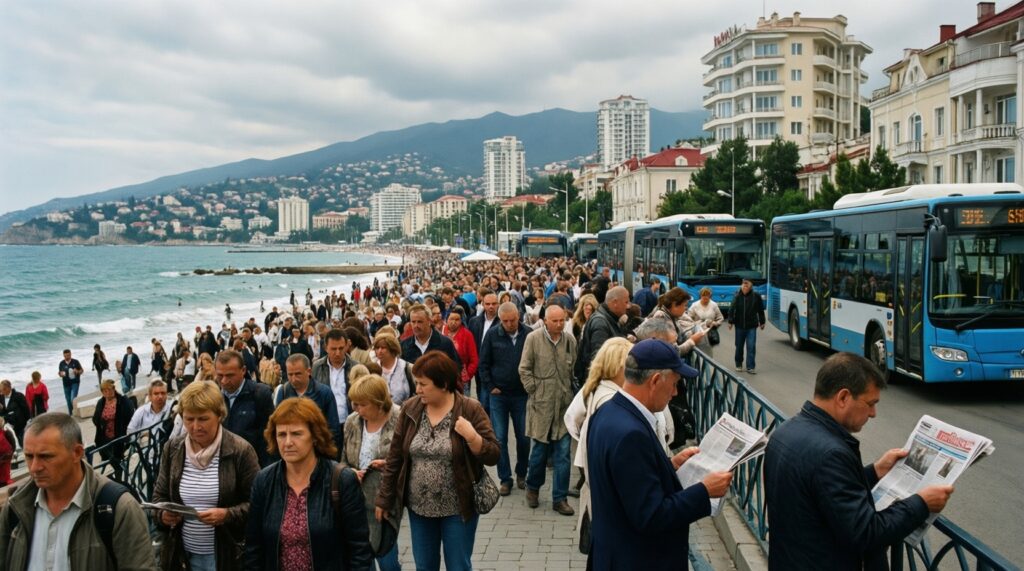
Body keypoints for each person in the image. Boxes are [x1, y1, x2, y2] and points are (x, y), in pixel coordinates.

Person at [764, 352, 955, 570]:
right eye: (870, 403)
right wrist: (921, 503)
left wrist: (875, 471)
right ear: (843, 397)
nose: (873, 413)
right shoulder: (831, 454)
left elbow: (819, 490)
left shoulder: (786, 431)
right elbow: (866, 533)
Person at [586, 339, 733, 570]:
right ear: (655, 381)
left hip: (614, 553)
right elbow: (651, 515)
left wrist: (669, 465)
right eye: (674, 384)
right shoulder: (631, 434)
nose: (675, 392)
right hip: (637, 560)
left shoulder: (608, 411)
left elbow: (625, 479)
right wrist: (704, 491)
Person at [375, 351, 499, 571]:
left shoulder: (470, 409)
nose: (418, 389)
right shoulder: (411, 409)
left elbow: (493, 454)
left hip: (458, 507)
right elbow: (394, 457)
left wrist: (472, 437)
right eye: (416, 383)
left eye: (423, 384)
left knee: (458, 566)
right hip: (419, 508)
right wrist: (385, 499)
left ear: (443, 384)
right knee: (424, 567)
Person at [0, 412, 155, 570]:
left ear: (77, 453)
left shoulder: (119, 509)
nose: (34, 468)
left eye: (46, 456)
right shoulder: (15, 507)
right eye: (29, 456)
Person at [245, 397, 373, 570]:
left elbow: (359, 550)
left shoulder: (341, 480)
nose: (288, 442)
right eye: (282, 434)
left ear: (314, 436)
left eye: (296, 433)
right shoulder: (264, 481)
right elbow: (254, 547)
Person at [152, 380, 259, 571]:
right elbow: (159, 497)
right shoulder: (172, 449)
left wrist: (227, 514)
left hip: (227, 555)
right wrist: (163, 515)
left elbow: (259, 504)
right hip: (182, 554)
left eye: (202, 419)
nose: (195, 427)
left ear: (219, 415)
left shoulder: (240, 451)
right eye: (189, 419)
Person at [563, 337, 633, 537]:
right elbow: (572, 419)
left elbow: (572, 418)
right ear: (618, 366)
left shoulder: (595, 386)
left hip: (593, 462)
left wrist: (584, 439)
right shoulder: (610, 396)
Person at [519, 304, 577, 516]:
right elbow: (524, 369)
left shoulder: (570, 341)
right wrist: (535, 390)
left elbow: (574, 371)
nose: (560, 324)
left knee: (563, 455)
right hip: (541, 406)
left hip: (563, 406)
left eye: (562, 320)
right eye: (555, 321)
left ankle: (559, 498)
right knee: (539, 454)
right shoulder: (533, 339)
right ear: (545, 320)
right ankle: (532, 488)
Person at [343, 375, 403, 571]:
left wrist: (389, 464)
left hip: (385, 503)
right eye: (355, 404)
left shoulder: (400, 419)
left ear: (378, 403)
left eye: (362, 404)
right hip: (357, 502)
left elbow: (408, 461)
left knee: (388, 561)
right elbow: (343, 460)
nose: (357, 409)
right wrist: (350, 471)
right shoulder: (352, 422)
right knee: (362, 562)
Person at [477, 302, 530, 494]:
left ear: (519, 317)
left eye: (513, 320)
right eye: (506, 321)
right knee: (499, 438)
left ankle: (522, 472)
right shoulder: (492, 335)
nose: (510, 324)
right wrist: (490, 386)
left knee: (524, 437)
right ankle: (505, 478)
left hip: (522, 395)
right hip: (499, 396)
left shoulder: (529, 334)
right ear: (501, 320)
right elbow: (483, 364)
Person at [217, 350, 275, 467]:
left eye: (229, 375)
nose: (224, 381)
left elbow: (271, 437)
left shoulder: (260, 394)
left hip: (253, 466)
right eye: (220, 375)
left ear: (243, 370)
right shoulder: (214, 397)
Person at [277, 353, 343, 456]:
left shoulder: (324, 393)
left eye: (298, 374)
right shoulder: (283, 392)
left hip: (318, 453)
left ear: (309, 371)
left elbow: (333, 429)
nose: (293, 379)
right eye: (290, 374)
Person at [574, 286, 629, 386]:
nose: (628, 306)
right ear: (615, 302)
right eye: (626, 302)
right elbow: (598, 360)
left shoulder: (608, 319)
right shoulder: (600, 323)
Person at [312, 328, 356, 440]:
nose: (337, 353)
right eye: (333, 349)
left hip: (351, 425)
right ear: (326, 348)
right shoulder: (317, 367)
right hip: (325, 426)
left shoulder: (356, 367)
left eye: (341, 348)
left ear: (347, 346)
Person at [91, 379, 136, 477]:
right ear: (102, 392)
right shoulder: (101, 402)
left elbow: (131, 417)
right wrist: (102, 423)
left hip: (118, 436)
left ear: (114, 389)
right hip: (104, 437)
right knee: (109, 459)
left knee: (116, 460)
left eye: (110, 389)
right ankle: (117, 477)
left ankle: (119, 480)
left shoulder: (123, 401)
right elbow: (95, 418)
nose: (108, 392)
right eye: (105, 391)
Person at [400, 304, 462, 369]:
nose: (416, 326)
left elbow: (456, 367)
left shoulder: (445, 344)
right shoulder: (404, 346)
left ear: (429, 321)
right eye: (413, 322)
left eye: (420, 322)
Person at [728, 278, 766, 374]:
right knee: (739, 346)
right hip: (739, 325)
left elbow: (760, 310)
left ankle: (750, 367)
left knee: (751, 346)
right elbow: (732, 308)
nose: (744, 286)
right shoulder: (737, 295)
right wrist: (730, 321)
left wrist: (762, 322)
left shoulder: (756, 296)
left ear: (751, 286)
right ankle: (738, 364)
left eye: (747, 284)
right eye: (743, 284)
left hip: (751, 326)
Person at [372, 333, 415, 406]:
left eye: (383, 348)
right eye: (377, 348)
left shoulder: (407, 368)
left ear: (392, 349)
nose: (379, 351)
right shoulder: (372, 368)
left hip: (404, 413)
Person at [444, 307, 478, 394]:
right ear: (447, 319)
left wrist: (468, 374)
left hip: (462, 379)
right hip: (444, 377)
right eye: (451, 319)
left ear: (461, 321)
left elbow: (474, 358)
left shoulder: (467, 334)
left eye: (457, 319)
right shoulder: (442, 332)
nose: (454, 322)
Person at [686, 287, 725, 357]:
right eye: (703, 296)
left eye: (708, 296)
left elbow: (720, 318)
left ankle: (706, 366)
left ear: (710, 296)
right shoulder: (694, 305)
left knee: (708, 356)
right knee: (698, 355)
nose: (705, 298)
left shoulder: (714, 305)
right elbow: (688, 320)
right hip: (697, 334)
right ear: (700, 296)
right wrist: (697, 323)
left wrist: (715, 323)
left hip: (709, 335)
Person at [0, 379, 31, 450]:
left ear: (9, 388)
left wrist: (27, 420)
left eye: (3, 390)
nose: (2, 392)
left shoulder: (19, 396)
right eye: (1, 390)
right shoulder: (1, 398)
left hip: (20, 424)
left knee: (24, 443)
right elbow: (2, 412)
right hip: (8, 424)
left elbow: (26, 409)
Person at [57, 348, 84, 413]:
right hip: (66, 384)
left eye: (68, 355)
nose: (67, 357)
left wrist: (77, 371)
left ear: (70, 354)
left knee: (73, 399)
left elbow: (82, 370)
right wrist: (60, 374)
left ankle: (75, 411)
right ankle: (71, 414)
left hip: (75, 382)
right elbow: (60, 373)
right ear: (63, 355)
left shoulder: (75, 361)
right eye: (65, 356)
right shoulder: (61, 363)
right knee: (68, 400)